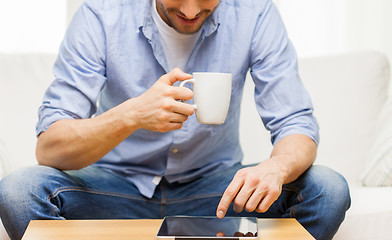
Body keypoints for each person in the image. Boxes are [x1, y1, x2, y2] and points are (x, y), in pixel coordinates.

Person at [0, 0, 351, 239]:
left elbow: (296, 123)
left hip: (215, 191)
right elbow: (49, 149)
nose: (189, 10)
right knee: (19, 192)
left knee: (327, 189)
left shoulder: (254, 13)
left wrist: (276, 168)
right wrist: (132, 114)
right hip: (115, 188)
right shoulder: (101, 13)